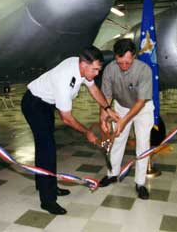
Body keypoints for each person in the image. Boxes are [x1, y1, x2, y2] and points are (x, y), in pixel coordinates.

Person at [21, 46, 119, 215]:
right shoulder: (64, 78)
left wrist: (108, 108)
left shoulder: (81, 68)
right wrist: (87, 132)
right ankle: (48, 200)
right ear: (83, 64)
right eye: (94, 69)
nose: (97, 73)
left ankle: (45, 184)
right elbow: (66, 118)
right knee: (47, 150)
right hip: (34, 104)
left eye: (99, 69)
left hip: (46, 104)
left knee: (45, 146)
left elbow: (94, 89)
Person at [98, 38, 154, 200]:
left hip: (142, 108)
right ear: (115, 57)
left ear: (134, 56)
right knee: (118, 139)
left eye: (127, 63)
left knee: (143, 144)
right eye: (120, 62)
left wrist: (124, 121)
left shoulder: (144, 70)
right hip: (121, 106)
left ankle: (140, 183)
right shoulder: (110, 69)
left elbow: (141, 101)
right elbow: (106, 96)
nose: (123, 66)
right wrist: (103, 116)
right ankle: (112, 174)